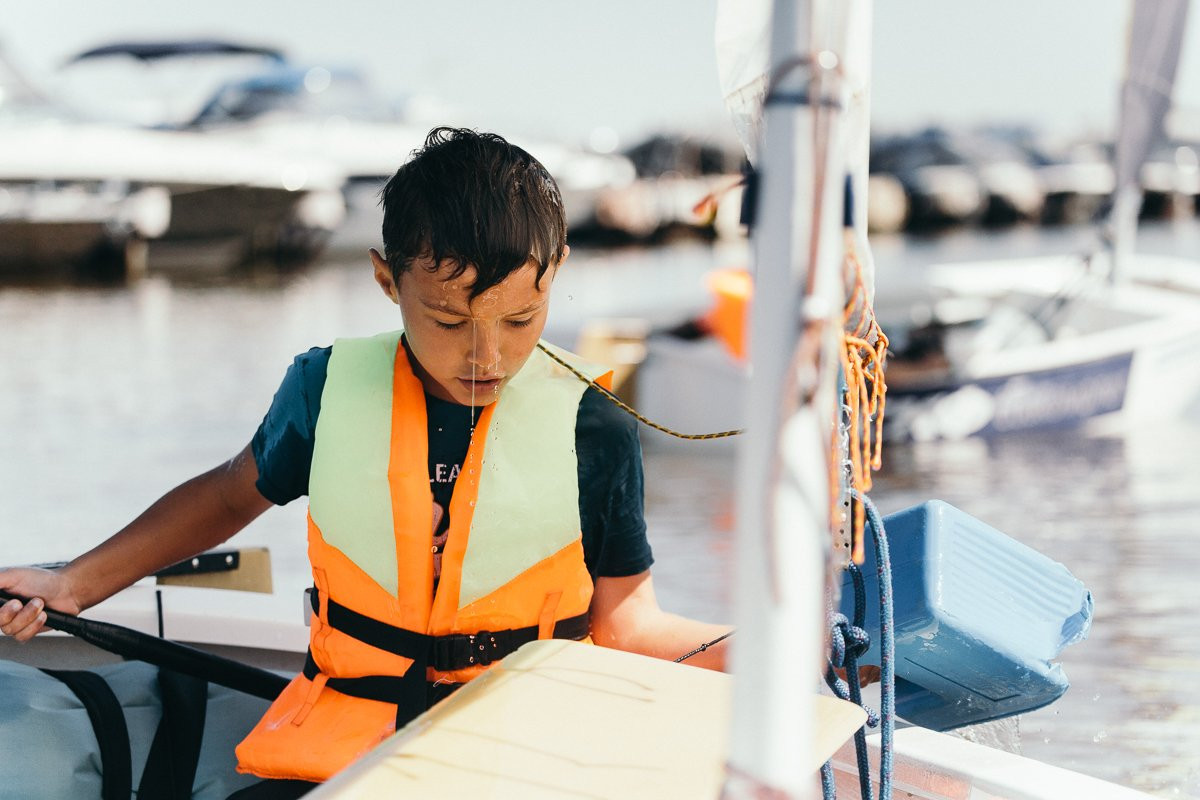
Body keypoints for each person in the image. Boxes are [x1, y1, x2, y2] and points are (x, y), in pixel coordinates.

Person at [0, 127, 731, 798]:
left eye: (519, 319)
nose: (487, 355)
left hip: (519, 761)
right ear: (387, 280)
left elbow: (628, 624)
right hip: (349, 762)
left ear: (557, 272)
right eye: (449, 321)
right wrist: (73, 583)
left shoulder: (593, 425)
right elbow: (228, 498)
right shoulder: (324, 389)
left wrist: (763, 653)